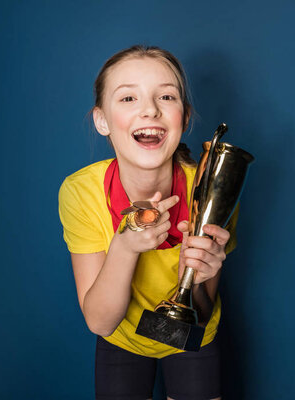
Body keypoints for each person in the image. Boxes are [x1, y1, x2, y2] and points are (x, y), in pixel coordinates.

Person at [58, 45, 237, 400]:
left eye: (166, 96)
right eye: (128, 98)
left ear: (184, 118)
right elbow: (100, 322)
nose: (150, 109)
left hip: (194, 335)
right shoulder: (81, 191)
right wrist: (124, 246)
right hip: (122, 336)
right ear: (102, 120)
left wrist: (200, 278)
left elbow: (201, 307)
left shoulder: (216, 189)